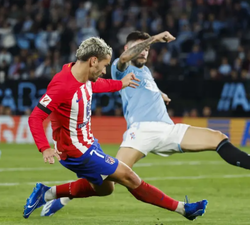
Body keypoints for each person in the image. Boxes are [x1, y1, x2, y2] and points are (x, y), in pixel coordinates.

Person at [41, 31, 250, 216]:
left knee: (216, 137)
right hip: (141, 131)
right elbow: (123, 57)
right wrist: (152, 39)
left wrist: (159, 94)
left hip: (168, 128)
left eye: (147, 49)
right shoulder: (120, 68)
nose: (143, 52)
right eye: (138, 47)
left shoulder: (146, 73)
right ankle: (58, 197)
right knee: (109, 181)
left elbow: (148, 88)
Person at [24, 36, 207, 221]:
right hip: (76, 151)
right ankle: (185, 209)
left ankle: (46, 194)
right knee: (128, 176)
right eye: (104, 66)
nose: (105, 71)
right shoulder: (62, 85)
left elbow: (97, 85)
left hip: (89, 143)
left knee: (106, 189)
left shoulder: (83, 75)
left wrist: (121, 83)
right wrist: (44, 147)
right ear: (93, 61)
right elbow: (35, 117)